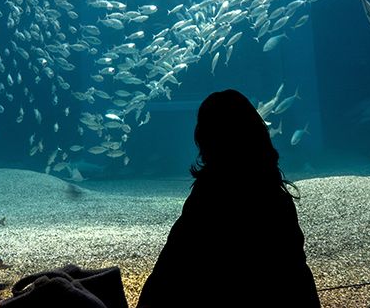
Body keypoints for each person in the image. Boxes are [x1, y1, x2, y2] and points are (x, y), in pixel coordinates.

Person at [137, 89, 320, 307]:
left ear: (204, 140)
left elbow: (169, 272)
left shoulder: (206, 201)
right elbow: (296, 276)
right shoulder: (277, 199)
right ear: (258, 134)